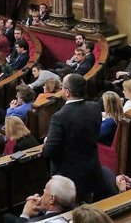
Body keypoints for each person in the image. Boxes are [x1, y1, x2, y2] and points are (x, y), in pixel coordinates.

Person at [42, 73, 102, 202]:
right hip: (92, 169)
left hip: (67, 178)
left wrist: (47, 142)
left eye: (62, 87)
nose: (61, 89)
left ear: (68, 92)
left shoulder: (59, 117)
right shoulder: (95, 107)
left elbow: (49, 152)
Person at [3, 175, 76, 222]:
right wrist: (42, 208)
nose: (41, 195)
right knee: (8, 217)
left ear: (51, 199)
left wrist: (25, 214)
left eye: (44, 192)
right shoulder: (75, 211)